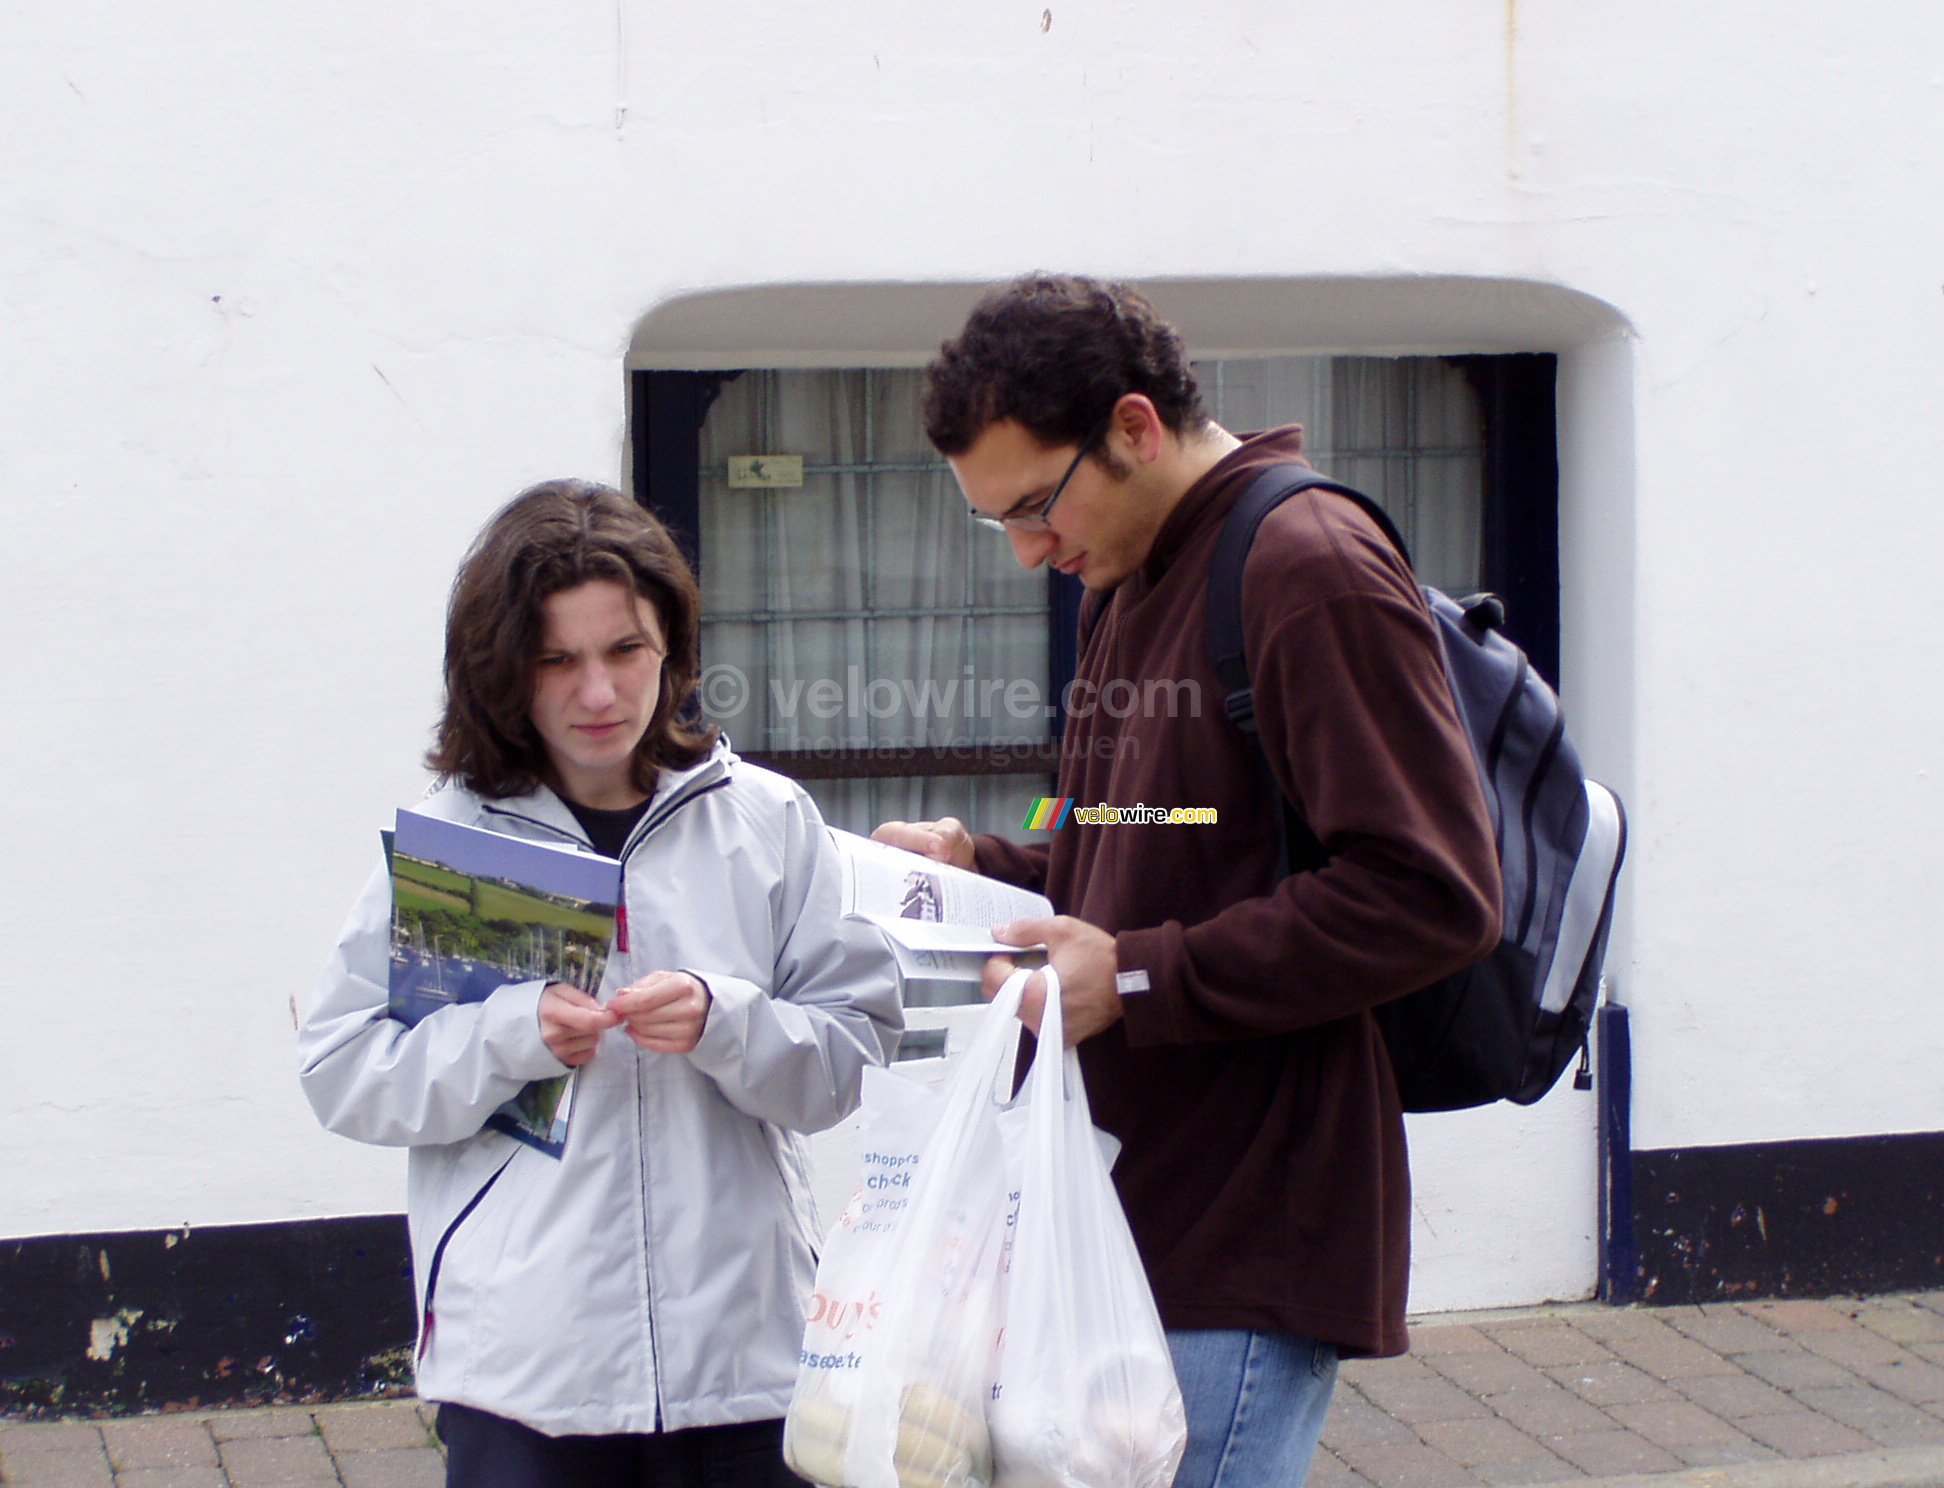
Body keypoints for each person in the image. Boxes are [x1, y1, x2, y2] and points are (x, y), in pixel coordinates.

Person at [874, 277, 1503, 1488]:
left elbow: (1432, 890)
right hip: (1118, 1209)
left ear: (1133, 427)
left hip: (1247, 1227)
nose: (1025, 553)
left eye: (1033, 507)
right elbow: (1137, 823)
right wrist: (982, 863)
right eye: (991, 523)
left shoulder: (1304, 563)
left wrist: (1146, 977)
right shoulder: (1130, 577)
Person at [300, 480, 902, 1488]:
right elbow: (345, 1070)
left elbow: (847, 1062)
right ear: (503, 671)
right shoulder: (457, 840)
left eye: (625, 650)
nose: (598, 693)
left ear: (672, 647)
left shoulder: (765, 821)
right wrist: (506, 1035)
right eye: (557, 659)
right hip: (528, 1380)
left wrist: (728, 1020)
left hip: (747, 1364)